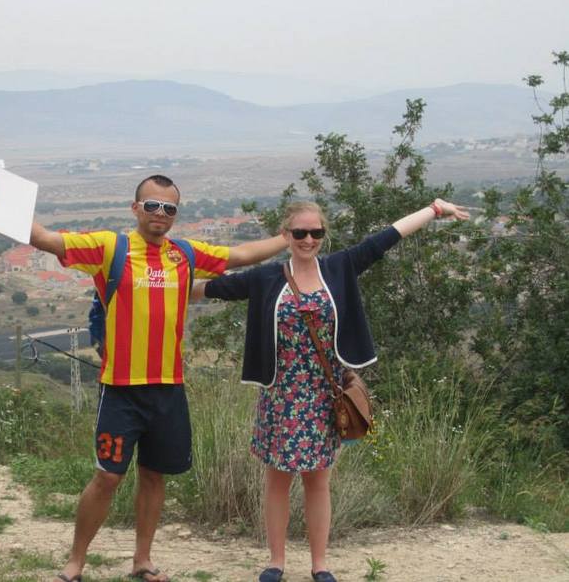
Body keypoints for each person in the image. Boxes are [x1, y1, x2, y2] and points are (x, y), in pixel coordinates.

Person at [0, 173, 288, 582]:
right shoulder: (111, 247)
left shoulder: (186, 253)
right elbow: (46, 239)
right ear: (136, 208)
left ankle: (142, 561)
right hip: (120, 387)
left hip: (168, 387)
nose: (160, 213)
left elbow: (241, 255)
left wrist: (288, 237)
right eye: (152, 205)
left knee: (154, 474)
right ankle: (75, 562)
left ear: (176, 214)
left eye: (169, 208)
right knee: (107, 477)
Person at [195, 198, 470, 582]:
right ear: (285, 235)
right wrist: (144, 285)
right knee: (276, 480)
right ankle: (276, 562)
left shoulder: (339, 268)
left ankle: (320, 564)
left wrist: (434, 210)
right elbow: (208, 290)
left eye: (316, 232)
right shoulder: (266, 278)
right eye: (300, 232)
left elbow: (387, 237)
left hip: (324, 395)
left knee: (318, 480)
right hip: (280, 395)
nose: (308, 239)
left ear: (323, 234)